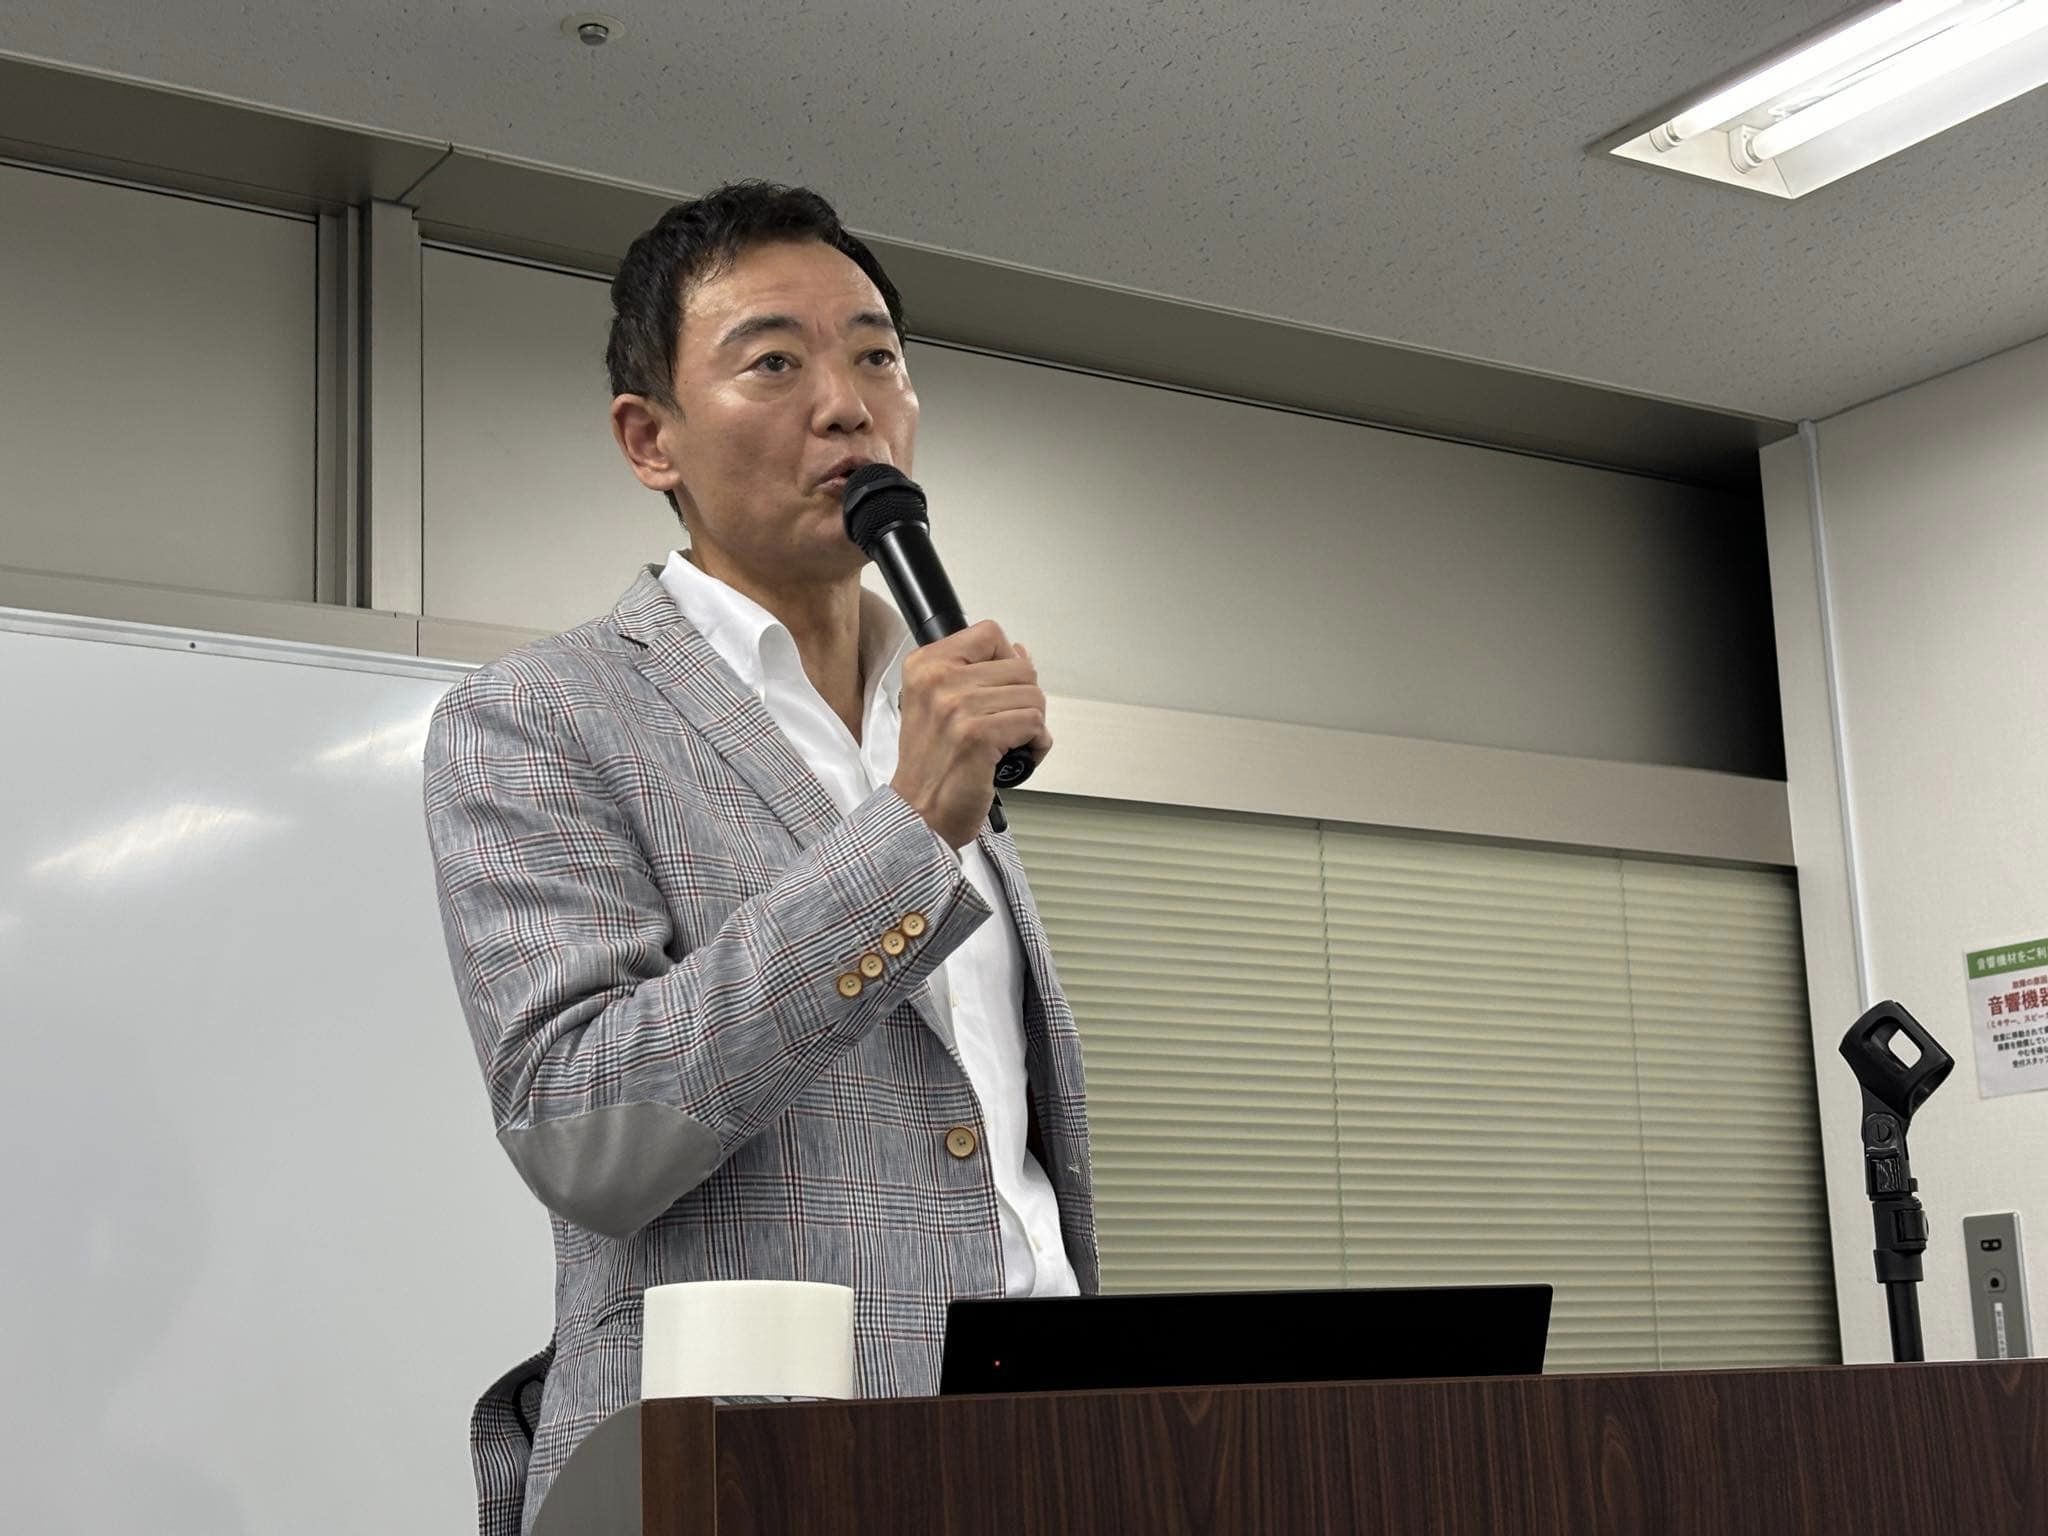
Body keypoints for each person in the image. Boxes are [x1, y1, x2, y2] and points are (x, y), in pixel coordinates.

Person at [421, 179, 1098, 1536]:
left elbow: (986, 1147)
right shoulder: (541, 717)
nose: (847, 406)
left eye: (876, 357)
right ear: (649, 439)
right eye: (775, 362)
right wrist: (905, 836)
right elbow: (582, 1129)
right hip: (739, 1477)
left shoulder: (931, 711)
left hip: (1036, 1453)